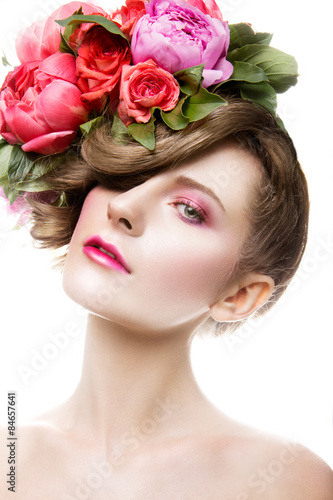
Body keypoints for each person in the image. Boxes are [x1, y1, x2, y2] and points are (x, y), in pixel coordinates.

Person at [0, 0, 332, 498]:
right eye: (128, 174)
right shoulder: (9, 462)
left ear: (240, 295)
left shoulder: (287, 482)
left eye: (190, 210)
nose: (125, 205)